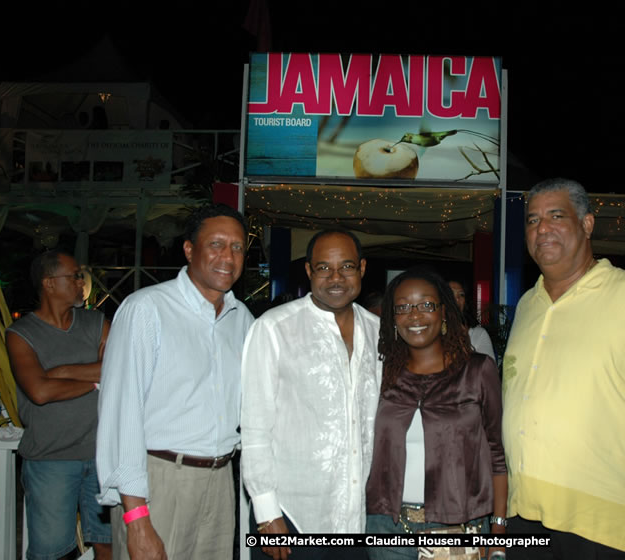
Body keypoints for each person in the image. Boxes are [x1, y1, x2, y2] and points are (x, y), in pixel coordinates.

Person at [502, 178, 625, 560]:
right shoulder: (528, 305)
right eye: (531, 220)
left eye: (556, 216)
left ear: (587, 224)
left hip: (607, 526)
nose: (541, 229)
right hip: (524, 518)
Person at [96, 204, 254, 559]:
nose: (227, 256)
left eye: (237, 247)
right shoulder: (146, 309)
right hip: (159, 481)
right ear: (189, 250)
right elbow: (122, 414)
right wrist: (136, 517)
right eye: (215, 244)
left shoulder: (240, 319)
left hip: (220, 482)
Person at [241, 229, 382, 560]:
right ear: (308, 271)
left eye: (346, 266)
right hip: (291, 517)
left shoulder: (379, 332)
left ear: (362, 268)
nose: (336, 278)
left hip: (357, 518)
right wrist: (266, 513)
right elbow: (254, 428)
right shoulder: (274, 328)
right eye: (323, 268)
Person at [366, 268, 507, 560]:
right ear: (392, 318)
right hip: (385, 527)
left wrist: (498, 530)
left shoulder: (478, 370)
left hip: (456, 526)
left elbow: (496, 455)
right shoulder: (381, 374)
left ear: (444, 311)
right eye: (402, 307)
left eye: (426, 305)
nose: (414, 315)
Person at [6, 250, 112, 560]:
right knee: (52, 553)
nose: (82, 282)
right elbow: (39, 391)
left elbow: (116, 368)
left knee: (109, 544)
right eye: (75, 276)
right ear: (49, 283)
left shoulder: (96, 322)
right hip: (50, 459)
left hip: (102, 457)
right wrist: (94, 379)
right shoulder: (22, 334)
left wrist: (63, 372)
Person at [447, 278, 495, 361]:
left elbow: (489, 371)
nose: (457, 299)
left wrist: (465, 345)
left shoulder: (478, 334)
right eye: (450, 294)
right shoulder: (430, 334)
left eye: (461, 295)